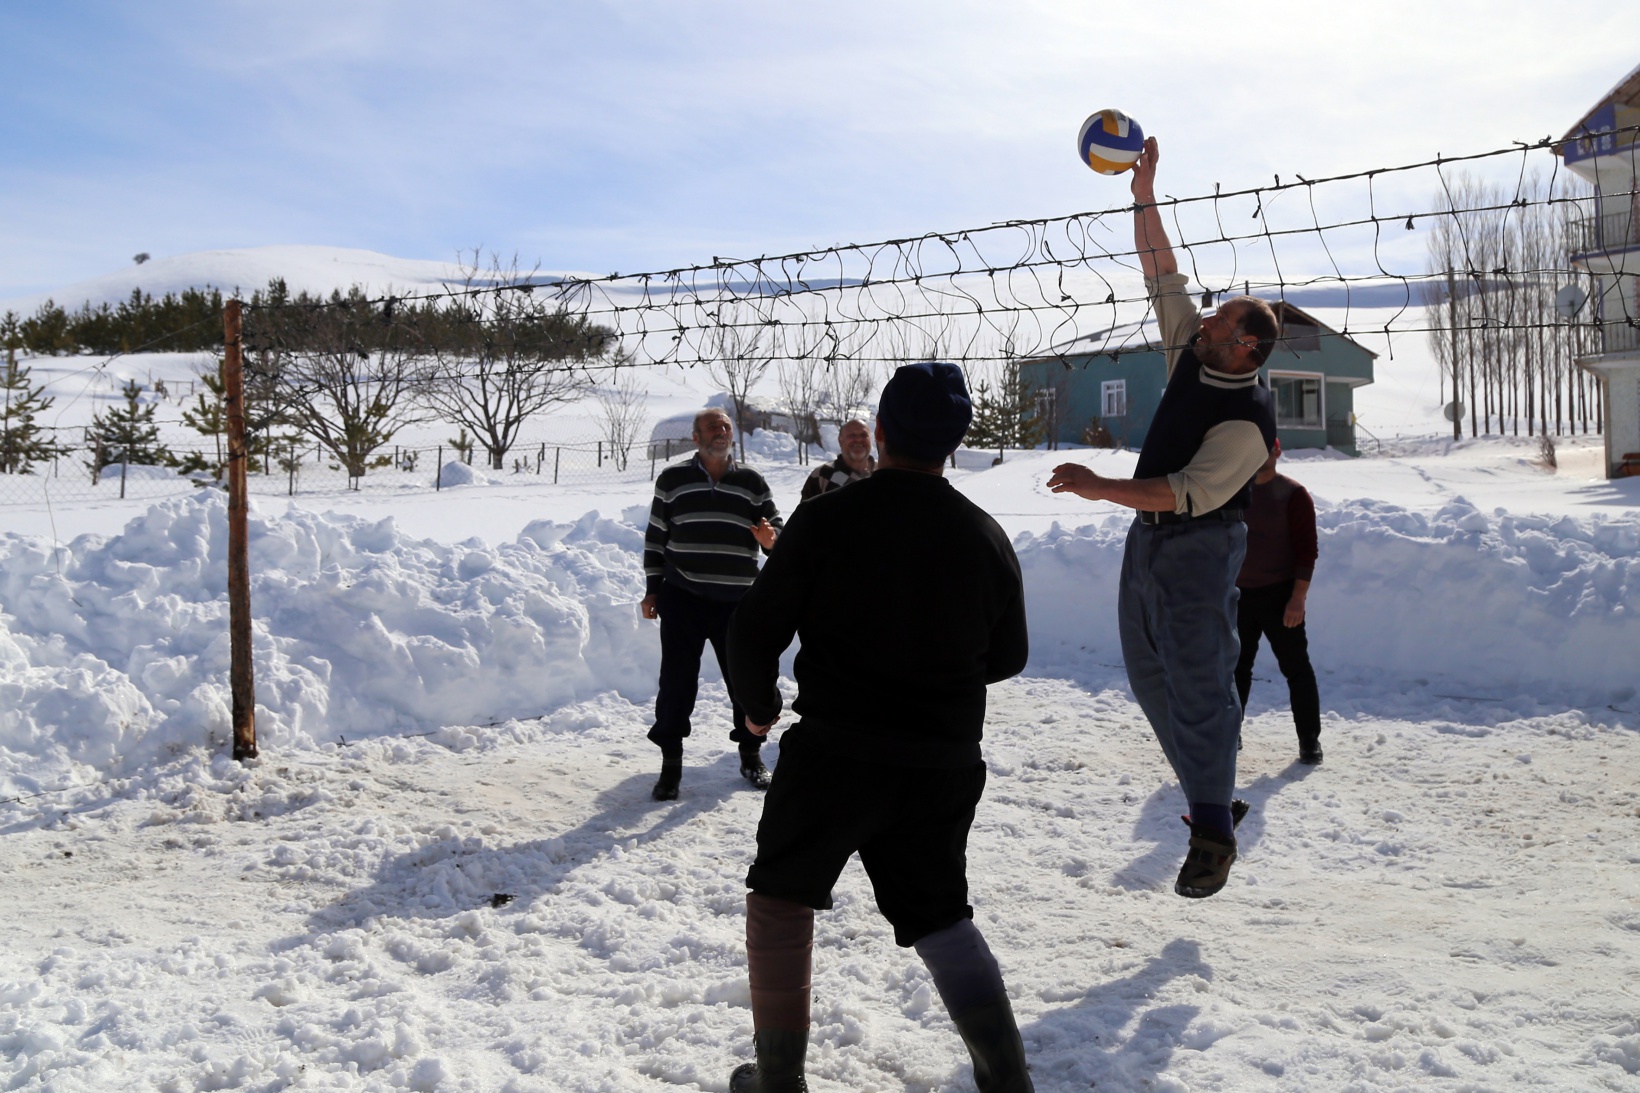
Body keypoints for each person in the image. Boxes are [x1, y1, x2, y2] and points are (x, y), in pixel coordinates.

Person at [724, 363, 1032, 1093]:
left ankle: (779, 1079)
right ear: (954, 445)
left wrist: (759, 704)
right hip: (942, 762)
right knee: (941, 915)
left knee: (781, 894)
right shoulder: (983, 535)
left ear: (880, 433)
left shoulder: (829, 519)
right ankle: (1006, 1076)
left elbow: (752, 629)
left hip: (835, 753)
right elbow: (1009, 656)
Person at [1046, 136, 1279, 900]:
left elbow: (1180, 491)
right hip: (1149, 542)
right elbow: (1161, 271)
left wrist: (1096, 484)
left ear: (1244, 345)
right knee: (1150, 678)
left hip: (1199, 544)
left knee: (1201, 681)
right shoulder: (1192, 350)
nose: (1204, 314)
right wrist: (1143, 192)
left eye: (1221, 317)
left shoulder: (1247, 422)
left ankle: (1213, 832)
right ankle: (1212, 790)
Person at [641, 407, 781, 801]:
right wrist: (653, 589)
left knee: (745, 682)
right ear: (696, 437)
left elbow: (777, 528)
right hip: (682, 597)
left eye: (725, 426)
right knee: (676, 684)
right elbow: (656, 538)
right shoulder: (673, 480)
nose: (721, 431)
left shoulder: (751, 482)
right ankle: (671, 767)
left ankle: (751, 756)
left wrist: (771, 541)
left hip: (736, 602)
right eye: (712, 427)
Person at [1235, 439, 1323, 764]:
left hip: (1280, 596)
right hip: (1239, 595)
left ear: (1277, 452)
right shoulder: (1234, 492)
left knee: (1296, 668)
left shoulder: (1293, 495)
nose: (1262, 456)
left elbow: (1307, 551)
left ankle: (1309, 741)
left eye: (1267, 450)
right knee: (1235, 669)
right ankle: (1231, 733)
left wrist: (1297, 599)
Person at [797, 418, 875, 503]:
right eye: (852, 435)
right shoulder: (822, 475)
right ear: (840, 440)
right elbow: (804, 514)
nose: (858, 440)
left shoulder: (882, 472)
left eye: (864, 435)